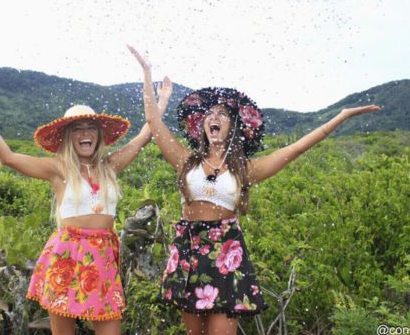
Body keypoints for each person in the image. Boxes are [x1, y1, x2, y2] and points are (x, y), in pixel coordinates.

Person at [128, 46, 381, 334]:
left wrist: (343, 115)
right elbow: (153, 121)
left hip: (225, 251)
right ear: (202, 126)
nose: (215, 117)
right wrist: (147, 73)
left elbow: (296, 148)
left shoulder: (245, 170)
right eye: (211, 113)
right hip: (189, 249)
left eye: (223, 114)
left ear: (232, 126)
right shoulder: (186, 161)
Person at [0, 83, 171, 335]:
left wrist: (163, 100)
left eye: (90, 127)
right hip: (66, 255)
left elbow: (145, 134)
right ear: (68, 136)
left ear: (98, 135)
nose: (85, 133)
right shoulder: (58, 169)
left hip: (102, 257)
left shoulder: (110, 166)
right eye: (77, 129)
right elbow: (8, 157)